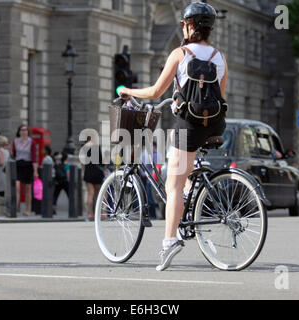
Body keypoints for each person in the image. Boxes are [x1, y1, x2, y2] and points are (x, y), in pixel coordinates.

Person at [119, 2, 228, 271]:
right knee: (187, 177)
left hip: (187, 126)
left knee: (173, 186)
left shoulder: (180, 54)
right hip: (215, 126)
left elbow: (157, 92)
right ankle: (192, 210)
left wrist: (128, 91)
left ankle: (170, 241)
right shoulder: (220, 57)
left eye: (184, 24)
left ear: (189, 26)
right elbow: (222, 97)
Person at [12, 125, 38, 216]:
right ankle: (15, 208)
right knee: (17, 187)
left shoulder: (32, 142)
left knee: (28, 189)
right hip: (18, 164)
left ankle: (27, 209)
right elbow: (14, 155)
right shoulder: (15, 141)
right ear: (19, 131)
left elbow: (34, 157)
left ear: (28, 131)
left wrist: (35, 171)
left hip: (28, 165)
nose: (23, 132)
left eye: (25, 130)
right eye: (22, 130)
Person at [83, 136, 104, 221]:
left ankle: (90, 213)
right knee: (99, 193)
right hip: (97, 172)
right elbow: (101, 161)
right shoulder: (96, 146)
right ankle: (102, 212)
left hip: (88, 172)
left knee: (90, 194)